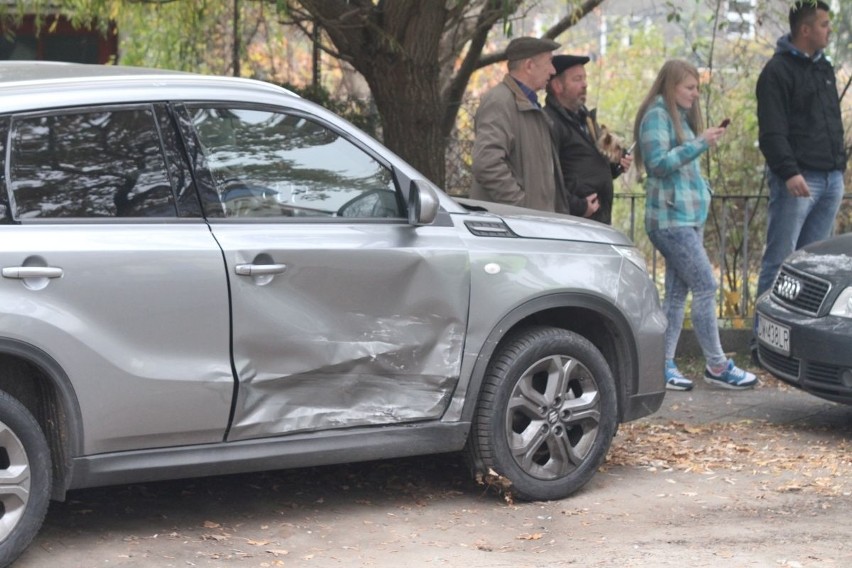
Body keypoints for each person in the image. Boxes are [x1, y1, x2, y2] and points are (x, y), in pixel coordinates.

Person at [633, 59, 757, 392]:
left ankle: (663, 365)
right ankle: (716, 365)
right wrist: (700, 142)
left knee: (676, 296)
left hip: (685, 219)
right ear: (670, 86)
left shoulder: (679, 120)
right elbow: (658, 164)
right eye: (690, 87)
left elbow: (683, 168)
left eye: (697, 88)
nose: (696, 94)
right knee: (706, 286)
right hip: (671, 221)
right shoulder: (657, 116)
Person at [753, 1, 846, 353]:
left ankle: (802, 342)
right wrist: (789, 172)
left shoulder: (824, 69)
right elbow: (772, 132)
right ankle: (762, 340)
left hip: (830, 177)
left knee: (816, 267)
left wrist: (839, 166)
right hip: (798, 179)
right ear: (805, 30)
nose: (829, 31)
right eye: (824, 24)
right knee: (780, 260)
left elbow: (831, 123)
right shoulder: (777, 72)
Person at [470, 37, 564, 212]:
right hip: (511, 229)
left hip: (527, 226)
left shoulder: (529, 105)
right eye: (549, 62)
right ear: (529, 66)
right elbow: (486, 163)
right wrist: (520, 207)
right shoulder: (500, 102)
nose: (553, 70)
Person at [545, 54, 633, 224]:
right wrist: (578, 206)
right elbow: (548, 179)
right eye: (577, 79)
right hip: (573, 223)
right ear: (557, 85)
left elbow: (588, 166)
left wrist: (616, 166)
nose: (585, 84)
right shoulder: (550, 122)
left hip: (598, 219)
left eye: (585, 78)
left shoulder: (586, 119)